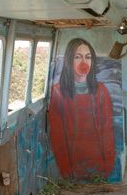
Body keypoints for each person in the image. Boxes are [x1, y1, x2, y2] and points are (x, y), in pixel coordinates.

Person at [48, 38, 115, 179]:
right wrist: (67, 171)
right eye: (77, 57)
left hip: (99, 165)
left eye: (88, 57)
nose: (84, 62)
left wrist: (107, 167)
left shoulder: (102, 91)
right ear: (69, 60)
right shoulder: (57, 92)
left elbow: (108, 132)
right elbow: (57, 138)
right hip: (72, 165)